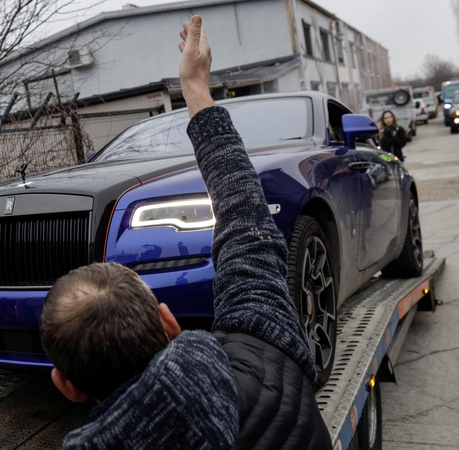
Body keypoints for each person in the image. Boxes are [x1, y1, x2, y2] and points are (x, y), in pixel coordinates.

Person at [39, 15, 331, 450]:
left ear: (66, 386)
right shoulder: (266, 341)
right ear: (169, 322)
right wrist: (195, 86)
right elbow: (245, 221)